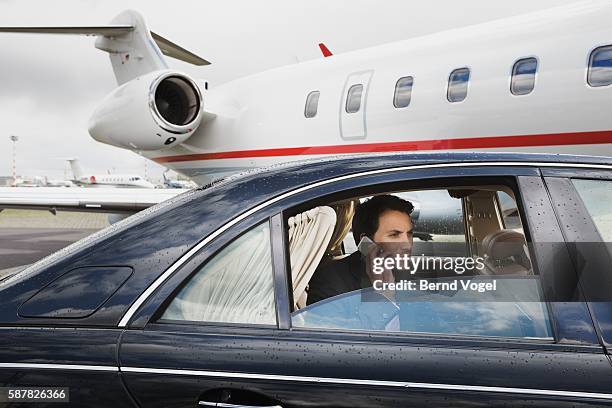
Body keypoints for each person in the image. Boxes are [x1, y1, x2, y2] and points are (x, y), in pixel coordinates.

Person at [306, 194, 414, 306]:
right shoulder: (330, 281)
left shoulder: (414, 275)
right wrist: (383, 295)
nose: (408, 245)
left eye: (410, 234)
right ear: (366, 243)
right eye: (394, 235)